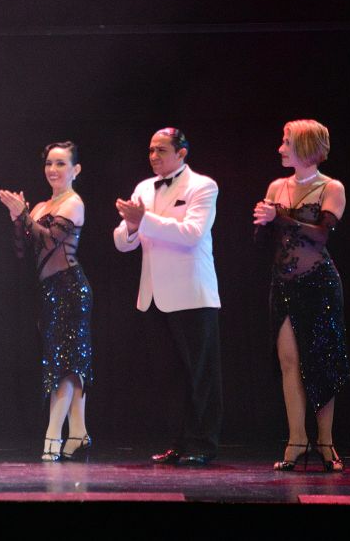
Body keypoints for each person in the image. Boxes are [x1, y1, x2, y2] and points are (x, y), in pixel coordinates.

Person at [113, 127, 222, 466]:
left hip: (192, 292)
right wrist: (131, 227)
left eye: (161, 150)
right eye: (150, 150)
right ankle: (179, 442)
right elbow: (121, 241)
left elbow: (191, 234)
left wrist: (144, 220)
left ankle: (203, 443)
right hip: (155, 294)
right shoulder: (144, 187)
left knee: (200, 373)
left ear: (182, 152)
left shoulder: (202, 185)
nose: (154, 156)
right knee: (171, 375)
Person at [253, 120, 349, 472]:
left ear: (306, 147)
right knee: (289, 361)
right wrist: (263, 223)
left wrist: (279, 217)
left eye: (286, 142)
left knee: (321, 361)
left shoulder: (331, 187)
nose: (280, 148)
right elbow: (266, 240)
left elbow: (321, 235)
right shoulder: (277, 186)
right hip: (284, 283)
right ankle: (297, 440)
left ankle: (326, 442)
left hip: (318, 282)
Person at [0, 141, 94, 462]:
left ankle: (53, 436)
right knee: (69, 363)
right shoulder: (40, 206)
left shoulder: (73, 203)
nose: (53, 170)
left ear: (75, 169)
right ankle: (78, 434)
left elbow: (51, 241)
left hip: (70, 289)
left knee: (65, 366)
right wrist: (19, 218)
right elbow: (24, 250)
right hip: (49, 292)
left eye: (61, 164)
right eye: (49, 164)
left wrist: (24, 216)